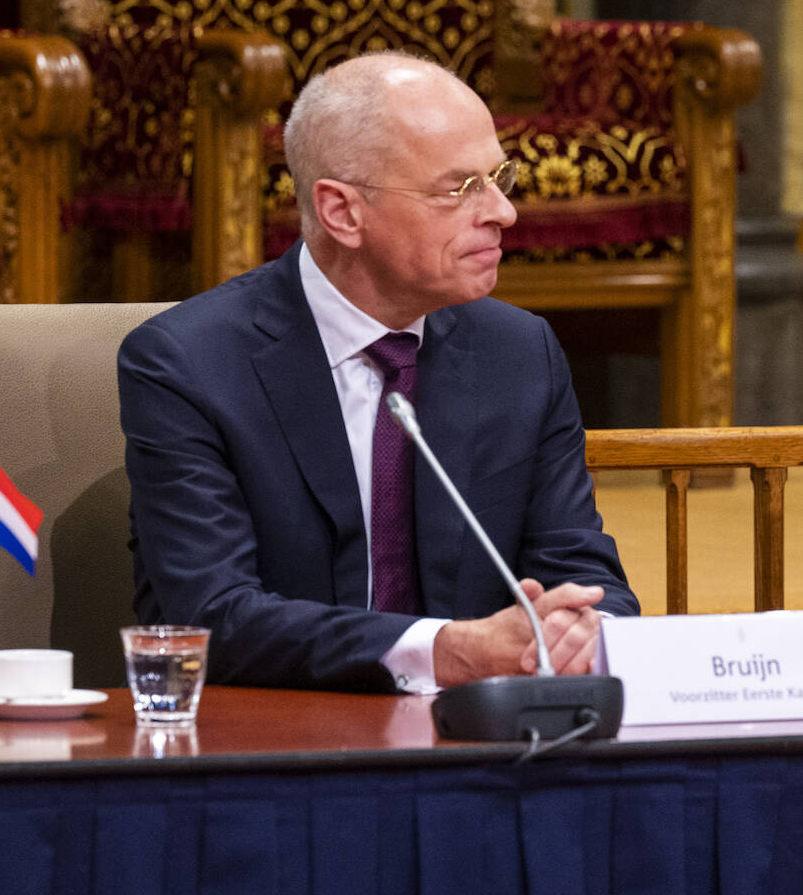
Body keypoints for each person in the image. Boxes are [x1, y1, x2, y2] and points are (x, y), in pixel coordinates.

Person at [119, 52, 638, 691]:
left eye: (499, 177)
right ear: (342, 212)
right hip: (279, 730)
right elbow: (211, 618)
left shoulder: (519, 352)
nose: (504, 212)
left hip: (484, 731)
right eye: (459, 189)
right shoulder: (190, 365)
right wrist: (445, 651)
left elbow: (583, 573)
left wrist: (582, 630)